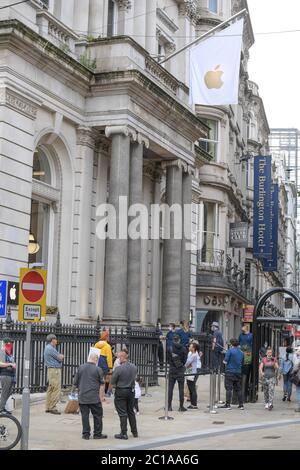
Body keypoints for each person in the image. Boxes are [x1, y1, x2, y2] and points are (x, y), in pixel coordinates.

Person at [73, 353, 107, 440]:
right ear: (96, 360)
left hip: (83, 397)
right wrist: (101, 397)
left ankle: (86, 434)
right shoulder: (98, 369)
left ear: (89, 358)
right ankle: (97, 434)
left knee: (84, 415)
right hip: (94, 397)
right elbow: (102, 384)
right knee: (98, 415)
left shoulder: (80, 367)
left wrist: (75, 393)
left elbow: (75, 382)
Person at [111, 350, 138, 440]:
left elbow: (113, 381)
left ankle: (123, 433)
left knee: (122, 412)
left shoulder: (119, 369)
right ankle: (134, 432)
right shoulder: (134, 367)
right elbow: (135, 377)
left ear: (123, 357)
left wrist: (113, 387)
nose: (118, 359)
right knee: (130, 411)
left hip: (121, 390)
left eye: (119, 357)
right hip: (131, 391)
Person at [221, 338, 244, 410]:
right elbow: (242, 363)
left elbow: (225, 361)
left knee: (229, 389)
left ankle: (228, 404)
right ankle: (241, 405)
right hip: (238, 372)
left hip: (230, 372)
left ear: (231, 344)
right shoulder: (241, 352)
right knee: (239, 389)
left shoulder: (230, 351)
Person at [44, 334, 64, 415]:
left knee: (51, 388)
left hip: (51, 370)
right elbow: (60, 357)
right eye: (55, 339)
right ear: (52, 340)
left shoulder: (48, 348)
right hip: (55, 370)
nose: (57, 340)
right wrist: (61, 356)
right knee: (56, 388)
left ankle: (48, 407)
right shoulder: (50, 348)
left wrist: (60, 356)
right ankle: (53, 407)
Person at [168, 335, 188, 412]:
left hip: (172, 369)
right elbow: (185, 360)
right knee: (181, 389)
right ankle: (181, 406)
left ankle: (169, 406)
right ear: (179, 340)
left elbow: (168, 359)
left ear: (173, 340)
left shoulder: (170, 348)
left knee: (170, 389)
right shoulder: (183, 349)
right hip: (180, 370)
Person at [0, 338, 16, 414]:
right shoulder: (2, 351)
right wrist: (10, 364)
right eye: (10, 343)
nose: (11, 344)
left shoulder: (9, 353)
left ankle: (2, 407)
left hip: (10, 375)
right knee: (5, 392)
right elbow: (0, 364)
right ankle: (1, 409)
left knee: (9, 392)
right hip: (5, 374)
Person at [95, 331, 113, 397]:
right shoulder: (107, 346)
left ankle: (96, 394)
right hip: (104, 364)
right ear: (106, 337)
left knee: (97, 380)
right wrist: (110, 367)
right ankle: (102, 396)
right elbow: (109, 358)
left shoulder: (96, 344)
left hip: (96, 363)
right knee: (103, 381)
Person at [239, 325, 253, 403]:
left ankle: (245, 395)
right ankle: (242, 395)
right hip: (242, 354)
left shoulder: (251, 335)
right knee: (242, 375)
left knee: (246, 375)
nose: (242, 328)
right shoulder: (241, 335)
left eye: (243, 327)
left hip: (248, 354)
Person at [185, 342, 200, 409]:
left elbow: (187, 362)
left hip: (192, 373)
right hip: (189, 372)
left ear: (193, 348)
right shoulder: (192, 354)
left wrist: (184, 365)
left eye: (190, 346)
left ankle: (194, 404)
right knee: (190, 388)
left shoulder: (194, 355)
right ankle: (192, 403)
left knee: (192, 388)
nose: (189, 347)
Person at [290, 347, 300, 412]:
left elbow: (295, 369)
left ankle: (299, 406)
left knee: (298, 392)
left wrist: (292, 372)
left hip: (299, 378)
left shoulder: (298, 360)